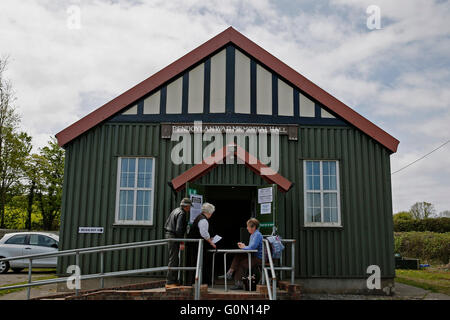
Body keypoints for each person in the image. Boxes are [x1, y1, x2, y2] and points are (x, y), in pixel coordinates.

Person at [225, 218, 263, 290]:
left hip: (258, 258)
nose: (247, 228)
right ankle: (230, 273)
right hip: (254, 256)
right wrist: (244, 246)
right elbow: (251, 247)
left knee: (241, 263)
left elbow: (252, 247)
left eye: (248, 226)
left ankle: (235, 280)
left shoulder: (257, 235)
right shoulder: (253, 235)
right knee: (238, 255)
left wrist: (244, 246)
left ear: (253, 227)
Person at [186, 202, 216, 286]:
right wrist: (211, 242)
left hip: (194, 245)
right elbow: (203, 233)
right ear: (209, 212)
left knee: (195, 263)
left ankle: (196, 282)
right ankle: (195, 283)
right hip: (195, 246)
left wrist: (209, 238)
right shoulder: (203, 220)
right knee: (197, 263)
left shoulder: (199, 217)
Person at [164, 197, 192, 287]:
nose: (190, 208)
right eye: (189, 206)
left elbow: (167, 223)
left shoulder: (175, 210)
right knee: (174, 259)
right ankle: (170, 281)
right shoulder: (182, 213)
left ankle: (173, 280)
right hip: (174, 236)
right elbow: (179, 229)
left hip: (170, 234)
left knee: (174, 258)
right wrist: (181, 242)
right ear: (186, 206)